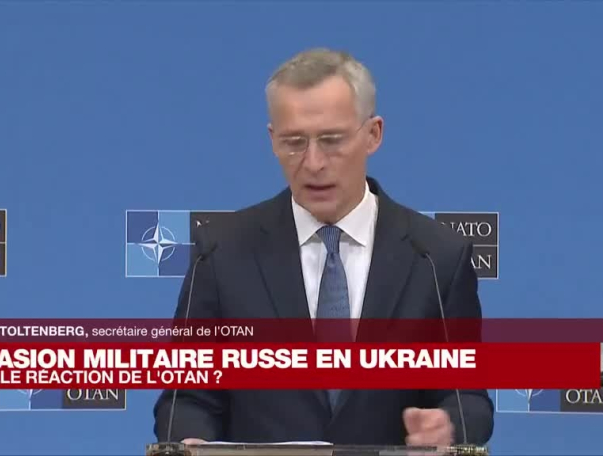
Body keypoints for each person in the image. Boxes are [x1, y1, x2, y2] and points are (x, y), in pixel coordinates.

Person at [153, 48, 494, 447]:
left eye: (332, 140)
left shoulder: (437, 257)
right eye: (294, 142)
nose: (313, 163)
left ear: (373, 134)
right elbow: (185, 397)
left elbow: (467, 397)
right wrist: (191, 441)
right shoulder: (221, 252)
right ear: (272, 141)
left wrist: (448, 427)